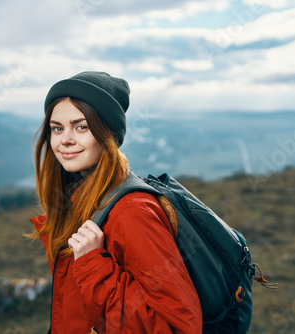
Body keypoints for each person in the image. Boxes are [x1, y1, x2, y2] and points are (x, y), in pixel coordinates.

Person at [29, 71, 203, 333]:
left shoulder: (132, 212)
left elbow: (179, 327)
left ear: (106, 134)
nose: (65, 139)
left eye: (81, 127)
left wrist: (93, 266)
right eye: (57, 128)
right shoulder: (78, 202)